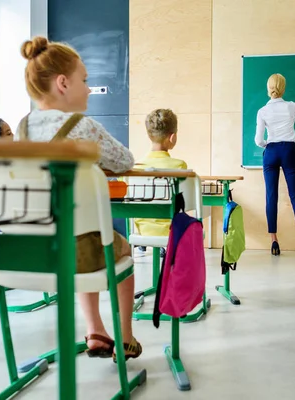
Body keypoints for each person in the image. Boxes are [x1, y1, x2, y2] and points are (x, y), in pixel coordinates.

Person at [19, 36, 141, 360]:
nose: (88, 89)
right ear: (62, 83)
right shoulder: (83, 126)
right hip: (78, 250)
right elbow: (125, 161)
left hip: (31, 251)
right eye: (84, 81)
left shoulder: (22, 129)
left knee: (86, 238)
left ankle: (96, 331)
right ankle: (125, 337)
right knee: (116, 249)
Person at [255, 71, 295, 258]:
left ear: (269, 89)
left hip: (271, 152)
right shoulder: (290, 107)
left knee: (271, 196)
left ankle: (273, 240)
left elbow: (258, 140)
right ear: (283, 88)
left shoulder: (262, 111)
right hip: (289, 151)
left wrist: (269, 146)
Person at [134, 109, 187, 254]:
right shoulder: (179, 166)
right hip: (170, 231)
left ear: (149, 135)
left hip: (141, 231)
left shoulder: (135, 168)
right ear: (173, 137)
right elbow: (184, 203)